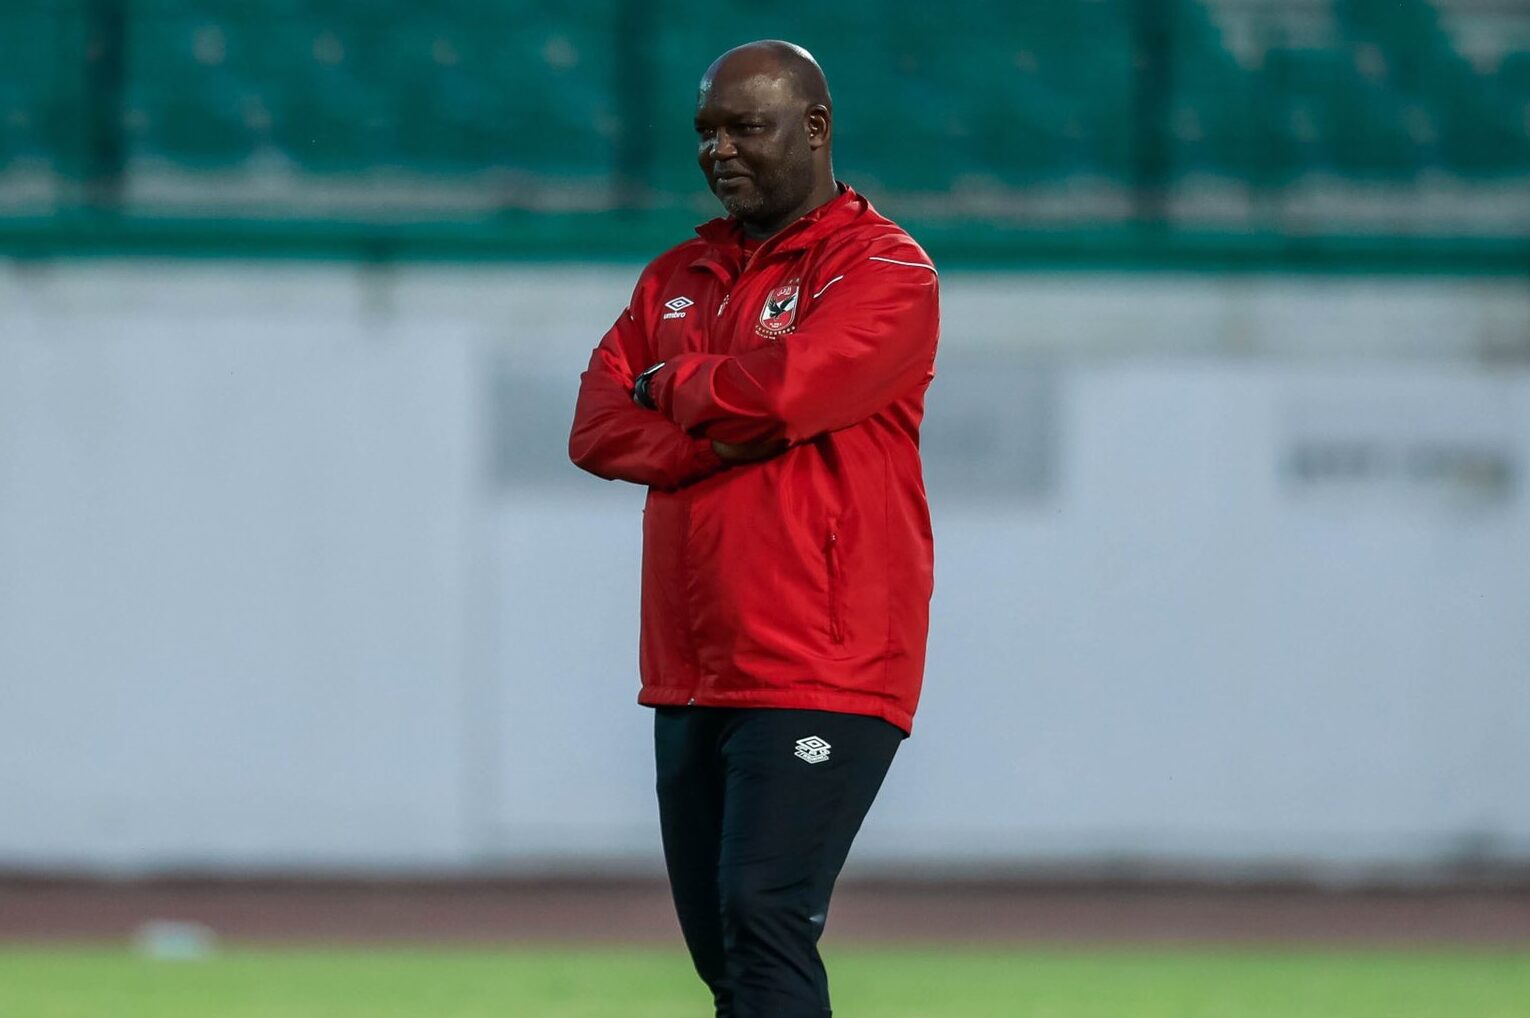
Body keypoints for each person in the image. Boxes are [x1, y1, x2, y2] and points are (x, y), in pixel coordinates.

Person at [568, 39, 939, 1018]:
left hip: (822, 660)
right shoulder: (675, 274)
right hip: (693, 665)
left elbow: (784, 395)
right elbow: (595, 427)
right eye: (706, 131)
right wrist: (711, 442)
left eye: (745, 127)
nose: (719, 149)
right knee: (728, 957)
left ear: (815, 128)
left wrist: (672, 384)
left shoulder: (886, 267)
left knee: (763, 914)